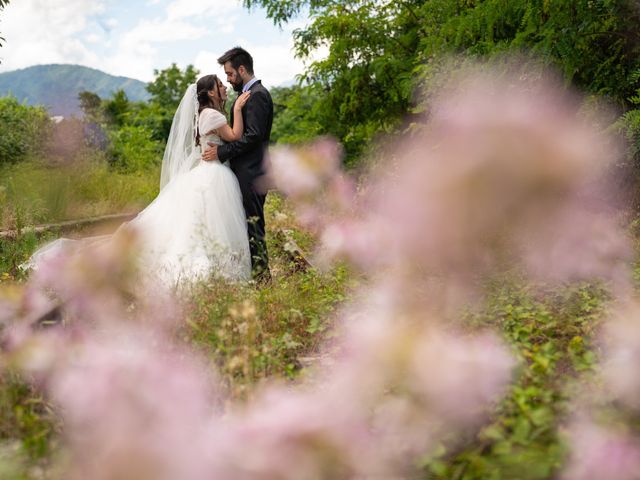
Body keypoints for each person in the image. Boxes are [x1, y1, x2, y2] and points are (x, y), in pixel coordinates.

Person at [24, 75, 253, 288]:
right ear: (211, 93)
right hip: (213, 174)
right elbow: (234, 136)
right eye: (220, 85)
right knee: (210, 222)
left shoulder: (203, 114)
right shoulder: (214, 115)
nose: (224, 87)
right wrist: (238, 108)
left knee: (198, 223)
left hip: (206, 170)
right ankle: (216, 267)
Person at [202, 47, 273, 283]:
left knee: (254, 228)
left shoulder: (258, 95)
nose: (228, 79)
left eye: (230, 74)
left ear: (242, 70)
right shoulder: (247, 95)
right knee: (247, 226)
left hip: (252, 174)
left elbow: (252, 136)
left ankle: (263, 281)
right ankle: (255, 277)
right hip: (245, 172)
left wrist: (221, 151)